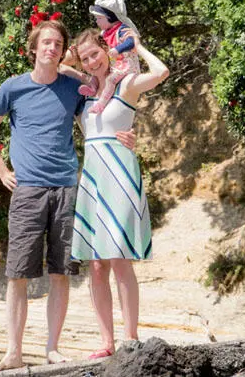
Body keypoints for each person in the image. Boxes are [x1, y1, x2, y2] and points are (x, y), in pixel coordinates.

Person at [0, 20, 136, 371]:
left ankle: (52, 348)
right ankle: (14, 352)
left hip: (67, 189)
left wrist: (128, 134)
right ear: (33, 48)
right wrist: (2, 170)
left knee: (60, 272)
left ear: (63, 51)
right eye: (45, 42)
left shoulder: (73, 88)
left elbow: (107, 109)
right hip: (28, 190)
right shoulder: (12, 88)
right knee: (17, 274)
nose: (51, 47)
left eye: (57, 44)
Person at [67, 27, 169, 360]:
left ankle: (130, 338)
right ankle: (106, 342)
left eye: (95, 53)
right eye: (85, 58)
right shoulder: (84, 92)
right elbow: (59, 65)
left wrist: (136, 47)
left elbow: (161, 72)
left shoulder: (126, 84)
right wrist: (75, 55)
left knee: (120, 259)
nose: (91, 62)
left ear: (107, 51)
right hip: (94, 177)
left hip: (120, 173)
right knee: (96, 265)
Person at [79, 0, 141, 114]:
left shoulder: (123, 30)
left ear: (110, 17)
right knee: (94, 76)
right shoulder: (105, 33)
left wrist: (118, 49)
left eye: (99, 18)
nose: (96, 21)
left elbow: (131, 41)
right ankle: (92, 89)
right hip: (116, 65)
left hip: (127, 66)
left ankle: (100, 104)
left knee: (110, 80)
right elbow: (94, 43)